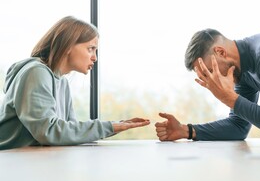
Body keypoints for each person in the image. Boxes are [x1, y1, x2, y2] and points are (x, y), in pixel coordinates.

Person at [0, 16, 150, 150]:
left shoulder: (62, 82)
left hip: (31, 162)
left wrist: (115, 126)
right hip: (10, 162)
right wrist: (111, 126)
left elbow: (67, 134)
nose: (94, 58)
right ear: (68, 45)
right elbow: (48, 131)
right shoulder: (36, 72)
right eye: (91, 49)